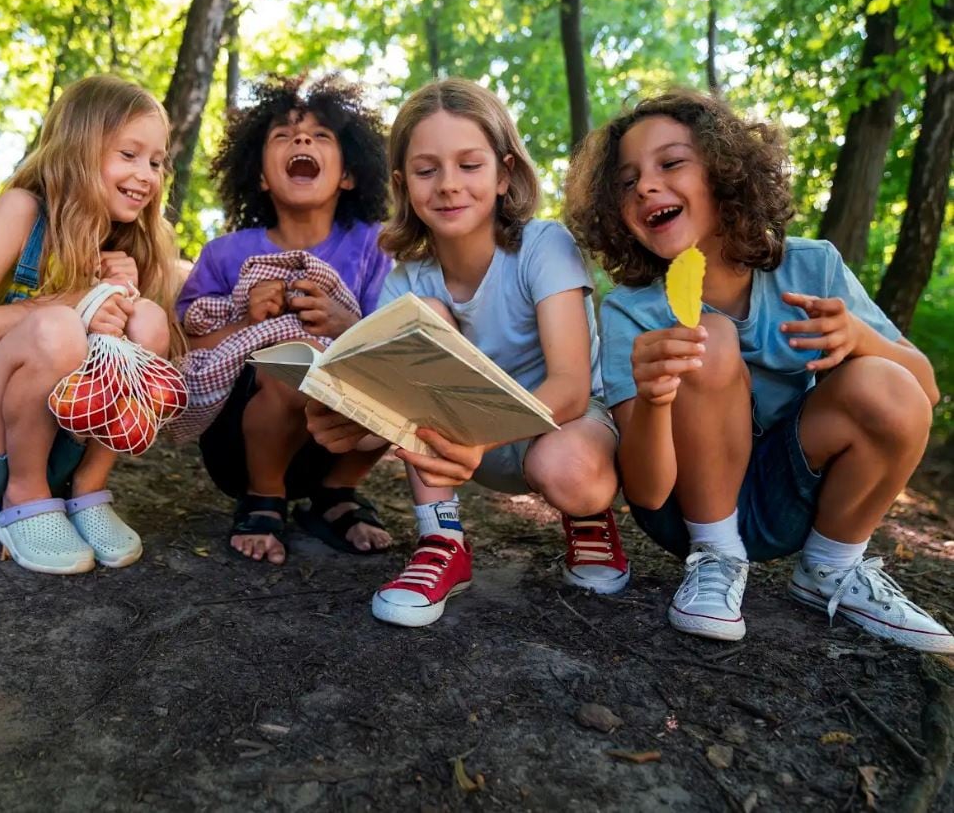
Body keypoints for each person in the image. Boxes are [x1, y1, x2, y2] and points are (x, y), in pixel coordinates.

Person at [566, 89, 951, 652]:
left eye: (671, 163)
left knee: (884, 380)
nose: (646, 185)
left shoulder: (812, 266)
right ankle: (717, 559)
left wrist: (864, 339)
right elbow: (646, 493)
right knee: (709, 337)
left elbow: (924, 390)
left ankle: (831, 571)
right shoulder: (632, 308)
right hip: (683, 513)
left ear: (726, 175)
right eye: (627, 182)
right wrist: (653, 399)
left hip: (788, 497)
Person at [308, 78, 628, 628]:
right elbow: (390, 412)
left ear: (505, 173)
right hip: (461, 441)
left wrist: (472, 436)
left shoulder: (542, 247)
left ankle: (590, 518)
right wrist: (347, 420)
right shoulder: (408, 278)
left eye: (469, 165)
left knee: (567, 469)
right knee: (421, 317)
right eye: (428, 170)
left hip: (562, 427)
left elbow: (572, 388)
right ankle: (441, 542)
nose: (449, 185)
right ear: (405, 185)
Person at [0, 75, 176, 575]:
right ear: (80, 149)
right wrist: (72, 301)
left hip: (69, 442)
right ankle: (21, 497)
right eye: (128, 154)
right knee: (57, 326)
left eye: (156, 161)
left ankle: (87, 488)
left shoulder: (126, 240)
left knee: (147, 319)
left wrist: (115, 300)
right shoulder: (22, 212)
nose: (146, 175)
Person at [175, 75, 394, 565]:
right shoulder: (224, 254)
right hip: (240, 440)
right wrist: (247, 321)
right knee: (291, 361)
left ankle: (337, 493)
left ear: (349, 174)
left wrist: (342, 322)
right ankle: (264, 496)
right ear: (259, 175)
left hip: (340, 440)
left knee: (403, 379)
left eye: (321, 136)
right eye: (283, 135)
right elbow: (186, 347)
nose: (301, 141)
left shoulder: (374, 245)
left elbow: (392, 340)